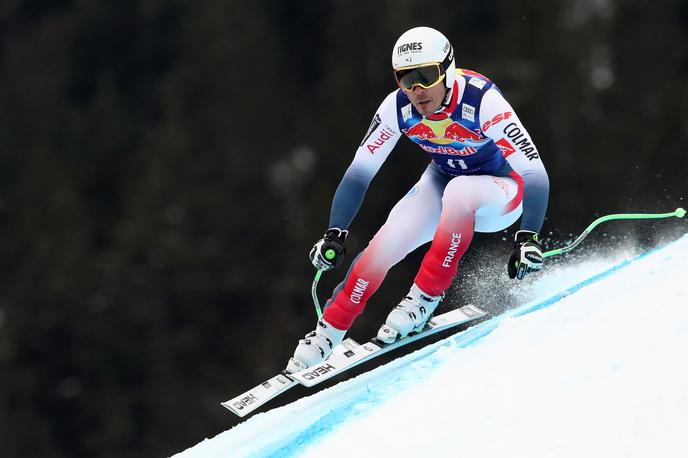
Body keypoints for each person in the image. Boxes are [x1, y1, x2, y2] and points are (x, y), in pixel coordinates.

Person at [286, 26, 549, 373]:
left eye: (427, 75)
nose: (417, 89)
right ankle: (328, 331)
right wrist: (335, 232)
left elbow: (535, 172)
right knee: (386, 241)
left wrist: (528, 237)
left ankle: (424, 298)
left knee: (460, 191)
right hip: (444, 182)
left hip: (501, 193)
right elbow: (360, 172)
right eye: (406, 79)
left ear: (448, 69)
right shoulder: (397, 108)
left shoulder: (481, 100)